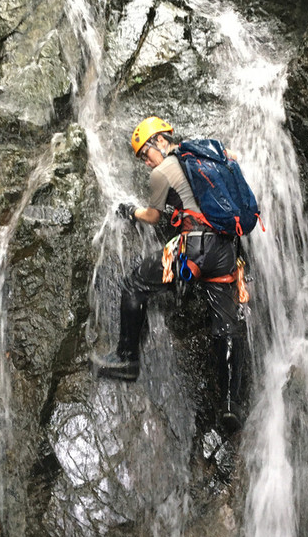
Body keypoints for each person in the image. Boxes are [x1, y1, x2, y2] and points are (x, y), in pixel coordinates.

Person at [91, 116, 248, 432]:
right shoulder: (208, 156)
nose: (147, 163)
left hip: (192, 249)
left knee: (134, 283)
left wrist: (129, 211)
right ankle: (231, 405)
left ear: (160, 141)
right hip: (227, 252)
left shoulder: (163, 172)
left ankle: (127, 360)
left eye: (146, 154)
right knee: (227, 325)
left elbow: (151, 216)